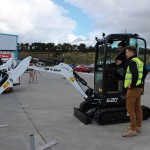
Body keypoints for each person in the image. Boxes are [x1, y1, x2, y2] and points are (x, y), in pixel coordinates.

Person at [122, 46, 148, 137]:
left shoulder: (132, 62)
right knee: (137, 107)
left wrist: (132, 84)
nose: (125, 54)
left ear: (131, 52)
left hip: (133, 89)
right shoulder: (139, 61)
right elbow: (145, 71)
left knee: (130, 108)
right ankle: (138, 127)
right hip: (139, 88)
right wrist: (141, 81)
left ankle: (133, 130)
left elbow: (135, 75)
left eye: (126, 52)